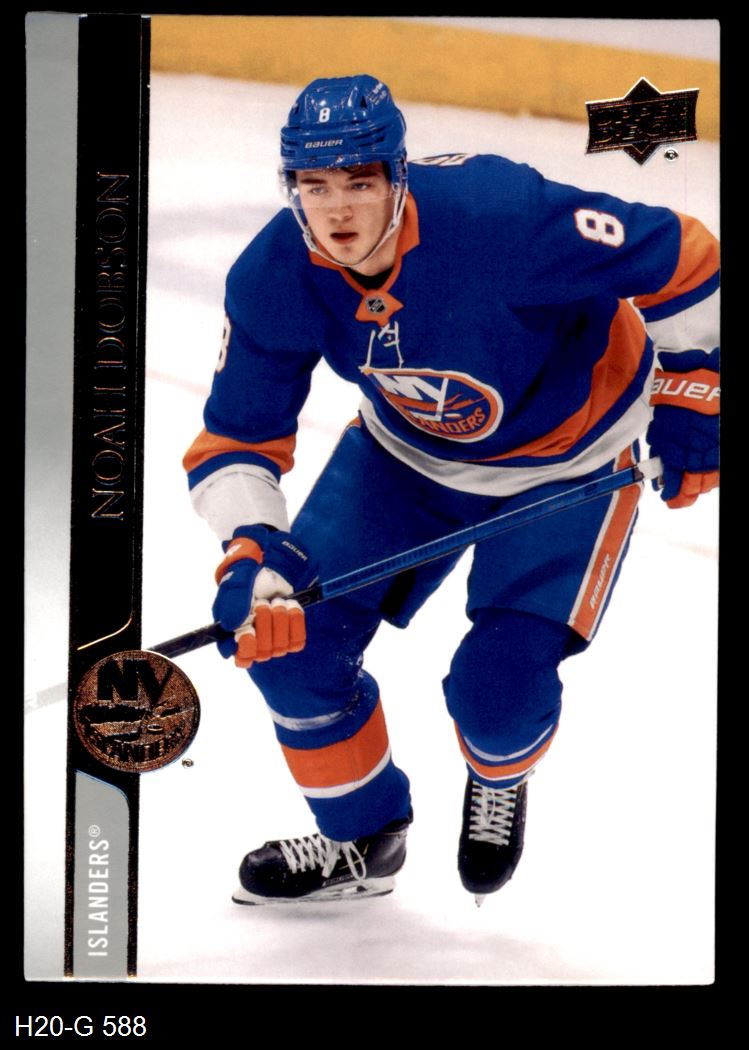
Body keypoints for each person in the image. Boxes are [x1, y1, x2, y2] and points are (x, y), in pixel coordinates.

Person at [183, 75, 719, 906]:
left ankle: (497, 772)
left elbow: (681, 254)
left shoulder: (499, 216)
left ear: (399, 177)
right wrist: (251, 547)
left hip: (572, 462)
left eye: (359, 182)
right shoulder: (272, 273)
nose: (337, 211)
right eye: (315, 186)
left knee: (497, 696)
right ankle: (362, 839)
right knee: (293, 651)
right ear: (290, 188)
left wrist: (695, 384)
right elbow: (235, 440)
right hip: (403, 458)